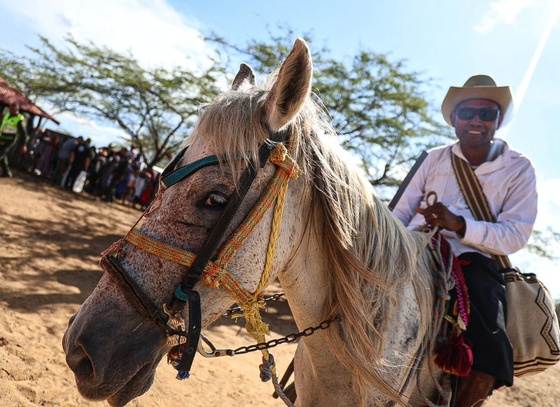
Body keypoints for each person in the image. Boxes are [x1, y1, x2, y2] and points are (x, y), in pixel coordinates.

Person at [393, 75, 538, 406]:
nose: (476, 120)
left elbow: (517, 233)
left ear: (497, 121)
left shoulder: (519, 168)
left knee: (492, 350)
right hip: (414, 249)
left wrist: (460, 225)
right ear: (454, 120)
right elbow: (399, 213)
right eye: (468, 112)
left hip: (474, 263)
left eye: (486, 114)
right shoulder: (432, 158)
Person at [0, 103, 28, 177]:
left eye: (12, 109)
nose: (10, 110)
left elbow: (24, 134)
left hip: (10, 140)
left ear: (16, 110)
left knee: (1, 153)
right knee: (3, 155)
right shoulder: (7, 115)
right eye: (10, 108)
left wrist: (24, 144)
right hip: (2, 137)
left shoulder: (19, 120)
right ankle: (7, 172)